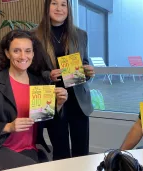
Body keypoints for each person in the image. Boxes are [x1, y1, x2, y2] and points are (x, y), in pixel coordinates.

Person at [0, 30, 68, 171]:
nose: (23, 56)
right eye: (16, 51)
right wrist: (8, 127)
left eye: (27, 51)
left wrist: (58, 105)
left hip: (27, 149)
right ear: (7, 53)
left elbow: (49, 125)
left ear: (33, 54)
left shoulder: (39, 83)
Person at [34, 0, 94, 160]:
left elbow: (85, 61)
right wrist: (49, 75)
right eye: (54, 3)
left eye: (63, 4)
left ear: (68, 9)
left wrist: (88, 70)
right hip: (52, 99)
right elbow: (31, 71)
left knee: (81, 152)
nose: (59, 8)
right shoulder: (35, 36)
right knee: (60, 150)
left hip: (78, 99)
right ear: (47, 7)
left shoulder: (80, 34)